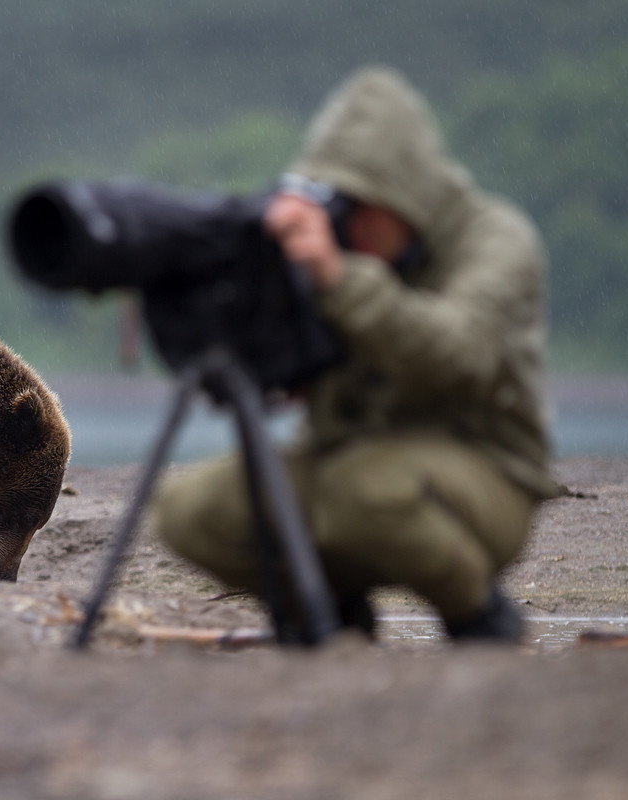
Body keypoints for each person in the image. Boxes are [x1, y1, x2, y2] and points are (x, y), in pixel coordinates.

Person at [151, 65, 562, 642]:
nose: (354, 225)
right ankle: (329, 615)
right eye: (342, 206)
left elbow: (457, 355)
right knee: (192, 510)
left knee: (366, 489)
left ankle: (477, 615)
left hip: (484, 472)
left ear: (409, 193)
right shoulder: (339, 255)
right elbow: (287, 375)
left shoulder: (494, 239)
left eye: (365, 205)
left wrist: (340, 280)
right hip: (349, 464)